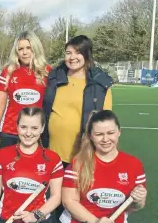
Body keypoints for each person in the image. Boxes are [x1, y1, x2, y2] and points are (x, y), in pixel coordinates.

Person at [58, 110, 147, 223]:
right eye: (99, 134)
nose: (105, 139)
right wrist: (95, 221)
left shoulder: (133, 164)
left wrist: (139, 199)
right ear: (91, 136)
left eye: (110, 133)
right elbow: (69, 201)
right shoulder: (78, 162)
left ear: (119, 132)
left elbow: (138, 207)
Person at [42, 35, 114, 166]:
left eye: (78, 52)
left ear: (87, 55)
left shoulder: (100, 84)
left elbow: (106, 120)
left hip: (83, 155)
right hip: (51, 153)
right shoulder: (54, 78)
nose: (72, 57)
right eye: (68, 53)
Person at [0, 31, 51, 151]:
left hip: (35, 132)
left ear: (36, 48)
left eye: (28, 48)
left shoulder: (47, 72)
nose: (24, 52)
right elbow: (0, 103)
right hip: (10, 131)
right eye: (20, 49)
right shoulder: (8, 71)